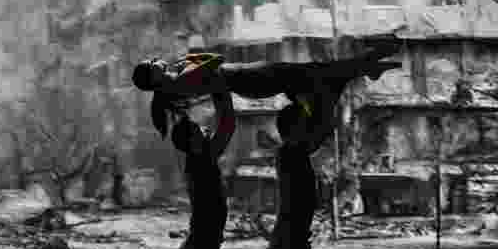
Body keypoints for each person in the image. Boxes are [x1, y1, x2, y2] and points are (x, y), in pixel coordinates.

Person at [132, 40, 401, 145]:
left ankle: (367, 64)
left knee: (316, 72)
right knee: (315, 72)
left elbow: (214, 60)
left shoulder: (175, 82)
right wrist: (188, 58)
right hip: (253, 78)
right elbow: (215, 59)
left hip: (251, 76)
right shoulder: (182, 78)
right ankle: (367, 63)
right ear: (154, 76)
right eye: (153, 63)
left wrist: (187, 60)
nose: (157, 59)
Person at [163, 90, 236, 249]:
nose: (206, 131)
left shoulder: (198, 159)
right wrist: (221, 90)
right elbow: (227, 125)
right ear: (194, 142)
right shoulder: (202, 160)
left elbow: (220, 127)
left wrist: (179, 111)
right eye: (200, 131)